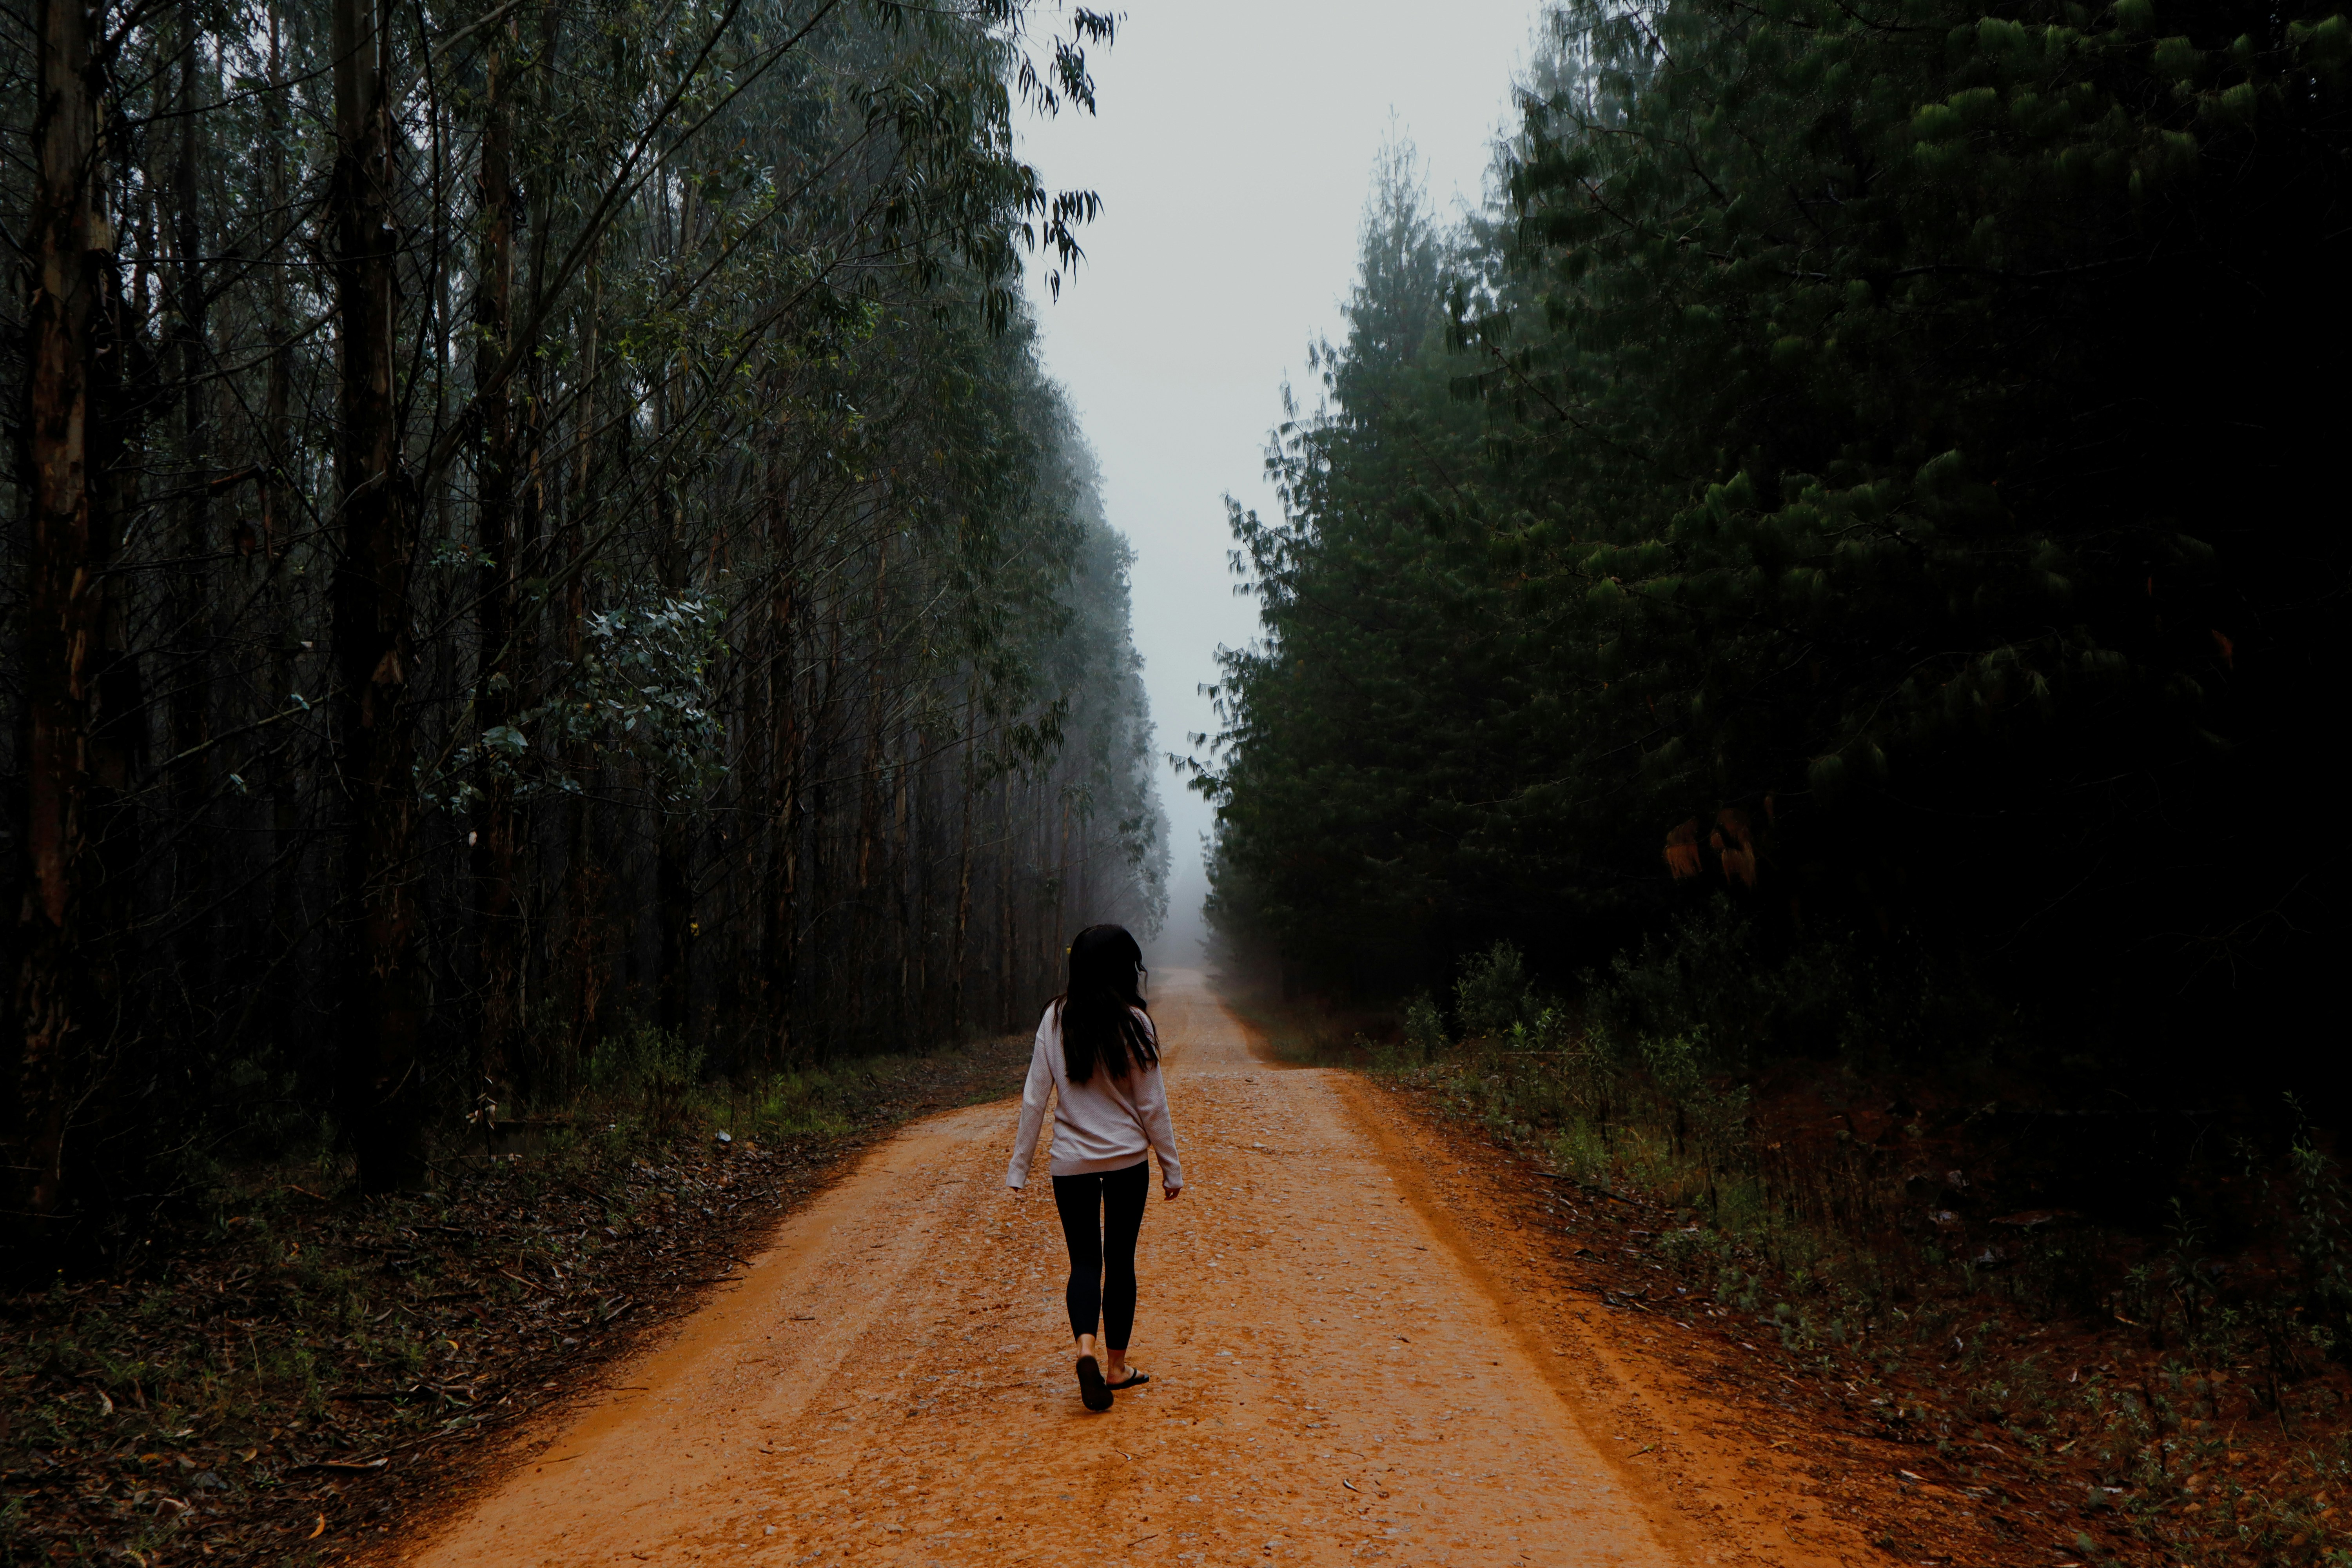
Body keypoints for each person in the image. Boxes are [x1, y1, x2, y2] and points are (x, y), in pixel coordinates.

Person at [1006, 924, 1184, 1412]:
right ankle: (1115, 1367)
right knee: (1120, 1261)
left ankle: (1083, 1346)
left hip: (1071, 1164)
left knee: (1085, 1261)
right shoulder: (1135, 1022)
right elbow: (1153, 1106)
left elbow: (1034, 1098)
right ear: (1123, 968)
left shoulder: (1054, 1018)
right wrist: (1172, 1168)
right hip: (1127, 1161)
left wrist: (1019, 1168)